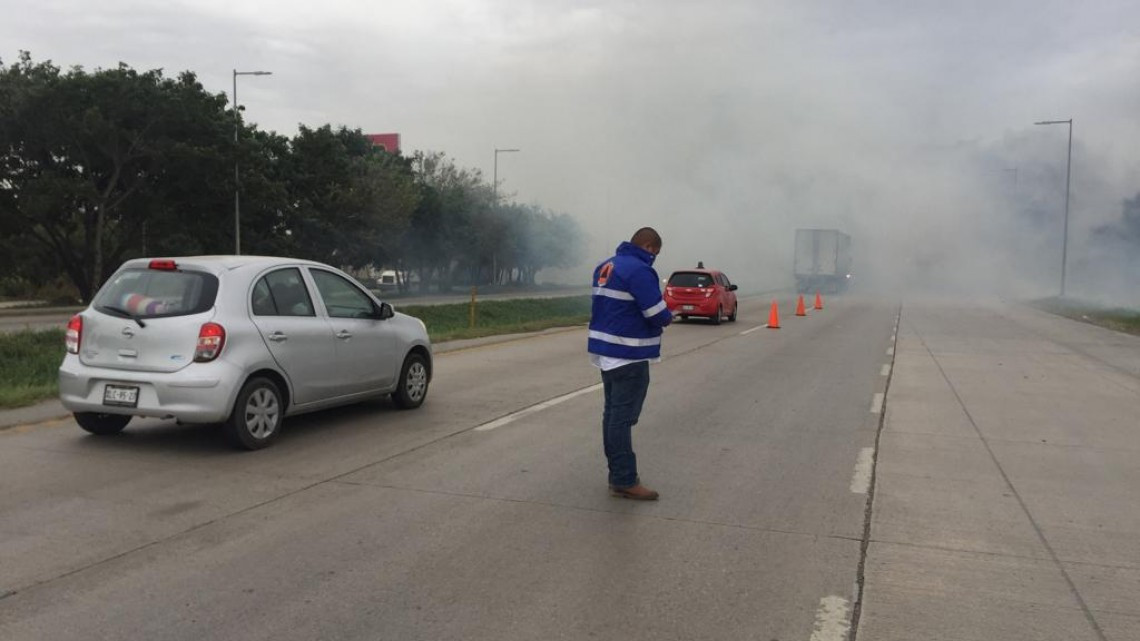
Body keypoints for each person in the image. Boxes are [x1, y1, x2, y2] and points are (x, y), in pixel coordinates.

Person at [588, 227, 673, 500]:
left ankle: (618, 475)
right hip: (628, 353)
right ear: (648, 246)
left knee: (612, 416)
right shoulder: (639, 270)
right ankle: (624, 478)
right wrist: (669, 314)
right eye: (655, 253)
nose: (654, 259)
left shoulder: (606, 266)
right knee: (622, 419)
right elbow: (656, 312)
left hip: (606, 353)